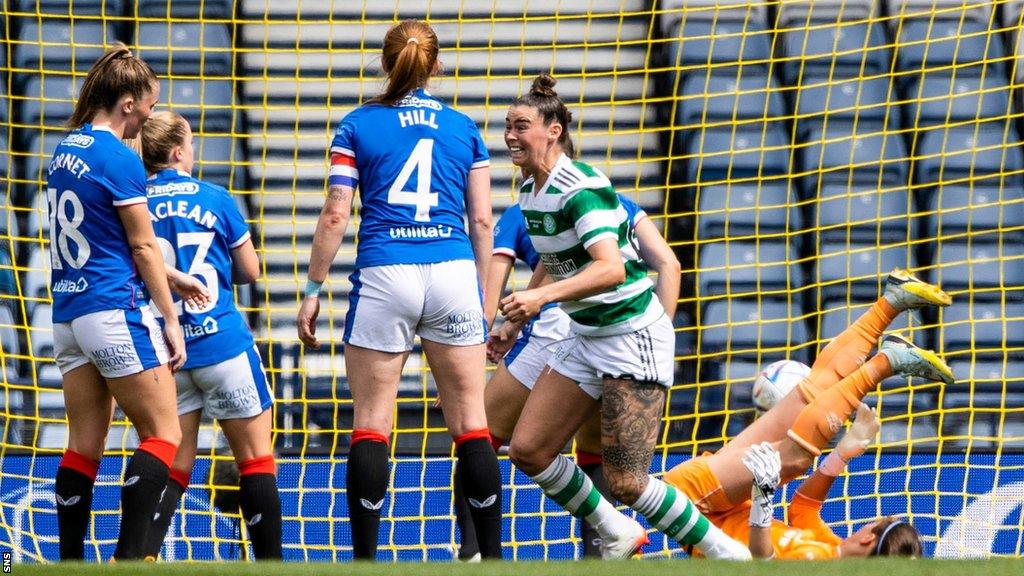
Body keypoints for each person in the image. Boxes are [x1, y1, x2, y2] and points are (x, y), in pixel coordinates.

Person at [498, 73, 751, 560]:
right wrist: (517, 318)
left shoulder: (581, 187)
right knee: (528, 450)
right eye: (508, 126)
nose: (511, 135)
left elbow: (611, 268)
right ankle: (615, 530)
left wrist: (541, 302)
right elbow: (555, 257)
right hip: (587, 333)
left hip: (631, 333)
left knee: (628, 481)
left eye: (521, 125)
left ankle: (728, 554)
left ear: (553, 130)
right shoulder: (532, 190)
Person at [295, 19, 503, 560]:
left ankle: (365, 560)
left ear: (386, 63)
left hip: (386, 271)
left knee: (371, 421)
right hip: (453, 270)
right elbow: (482, 222)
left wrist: (314, 287)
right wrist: (483, 300)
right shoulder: (463, 127)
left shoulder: (358, 124)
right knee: (471, 423)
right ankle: (497, 561)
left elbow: (337, 213)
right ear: (436, 66)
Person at [662, 268, 952, 558]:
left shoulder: (818, 564)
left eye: (875, 523)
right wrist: (841, 454)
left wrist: (763, 501)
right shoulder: (829, 547)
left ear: (867, 539)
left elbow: (762, 565)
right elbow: (803, 507)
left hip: (695, 504)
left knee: (795, 459)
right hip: (729, 500)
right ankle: (892, 300)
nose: (866, 524)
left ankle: (885, 363)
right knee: (810, 392)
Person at [453, 193, 681, 560]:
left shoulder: (525, 212)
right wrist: (655, 341)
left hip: (559, 330)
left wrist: (470, 353)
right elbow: (670, 265)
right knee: (597, 455)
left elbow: (491, 290)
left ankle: (474, 553)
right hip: (623, 338)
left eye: (519, 130)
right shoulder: (616, 203)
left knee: (480, 433)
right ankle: (602, 556)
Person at [49, 45, 184, 561]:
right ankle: (128, 563)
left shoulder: (65, 150)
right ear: (128, 103)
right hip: (114, 310)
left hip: (68, 315)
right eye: (149, 103)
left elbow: (103, 238)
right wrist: (169, 317)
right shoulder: (119, 159)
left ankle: (69, 564)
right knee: (162, 434)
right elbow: (142, 245)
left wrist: (166, 272)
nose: (151, 114)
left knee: (84, 445)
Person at [137, 111, 282, 560]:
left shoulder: (134, 202)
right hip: (221, 343)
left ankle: (139, 557)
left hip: (166, 352)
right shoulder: (216, 198)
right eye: (192, 144)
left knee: (173, 462)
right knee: (256, 458)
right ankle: (272, 568)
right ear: (179, 151)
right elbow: (251, 271)